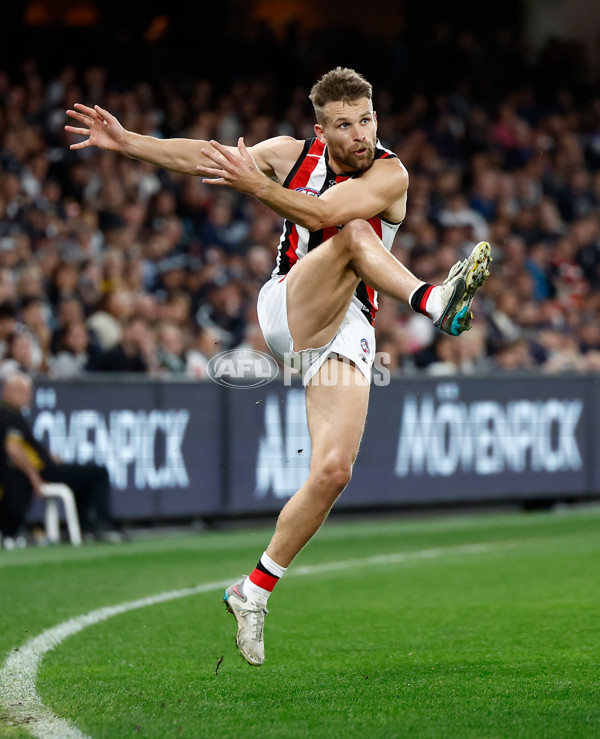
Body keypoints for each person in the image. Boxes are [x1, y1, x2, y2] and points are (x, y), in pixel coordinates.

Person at [66, 67, 491, 664]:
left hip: (350, 325)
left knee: (333, 472)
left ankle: (254, 590)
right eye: (344, 125)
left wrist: (254, 188)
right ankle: (433, 301)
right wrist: (130, 141)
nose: (359, 135)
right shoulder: (291, 154)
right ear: (321, 128)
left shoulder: (391, 173)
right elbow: (204, 157)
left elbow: (320, 213)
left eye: (366, 120)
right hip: (288, 306)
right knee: (350, 240)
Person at [0, 372, 124, 543]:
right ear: (7, 391)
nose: (27, 396)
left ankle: (85, 526)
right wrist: (34, 477)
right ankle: (99, 523)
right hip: (41, 473)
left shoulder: (14, 415)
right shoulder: (8, 415)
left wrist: (48, 457)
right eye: (21, 391)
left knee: (83, 477)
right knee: (98, 472)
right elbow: (13, 450)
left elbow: (24, 448)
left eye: (28, 391)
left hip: (42, 468)